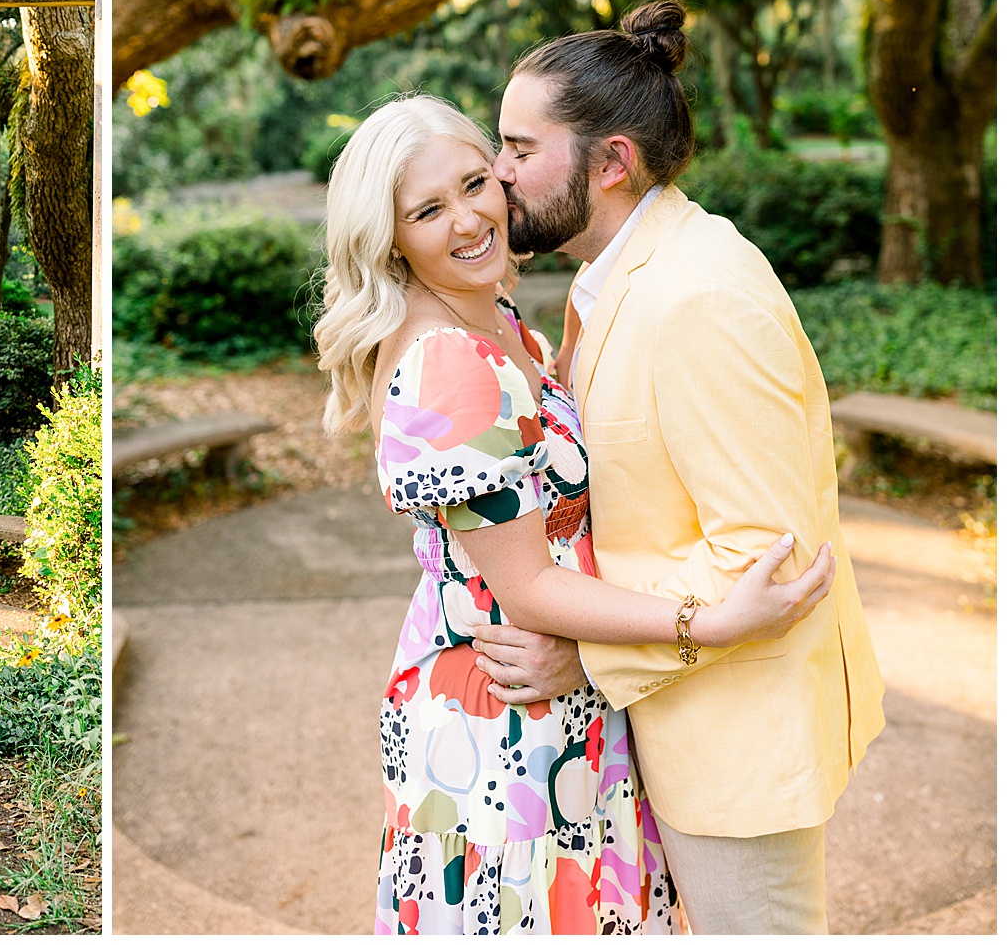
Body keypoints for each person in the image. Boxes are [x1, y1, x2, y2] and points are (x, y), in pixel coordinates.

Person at [315, 93, 837, 935]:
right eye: (427, 211)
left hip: (565, 692)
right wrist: (705, 622)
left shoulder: (493, 318)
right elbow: (526, 587)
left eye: (475, 183)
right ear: (390, 239)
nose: (468, 219)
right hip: (505, 720)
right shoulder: (447, 363)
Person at [470, 0, 885, 934]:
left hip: (736, 750)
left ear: (611, 162)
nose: (498, 172)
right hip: (664, 726)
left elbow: (769, 558)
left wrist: (586, 650)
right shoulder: (613, 272)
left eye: (520, 147)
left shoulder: (699, 297)